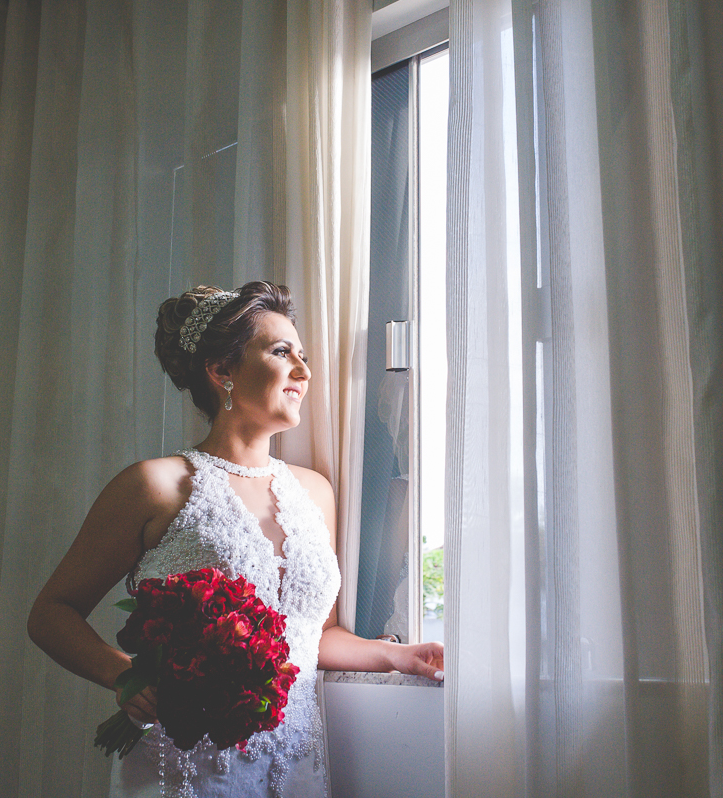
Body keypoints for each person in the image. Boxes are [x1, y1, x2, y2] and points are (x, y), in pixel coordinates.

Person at [28, 281, 445, 798]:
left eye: (304, 356)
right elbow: (51, 613)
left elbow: (314, 634)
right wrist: (124, 677)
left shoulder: (315, 491)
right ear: (221, 370)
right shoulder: (156, 485)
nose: (304, 370)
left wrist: (398, 658)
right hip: (185, 765)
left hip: (295, 763)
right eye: (280, 351)